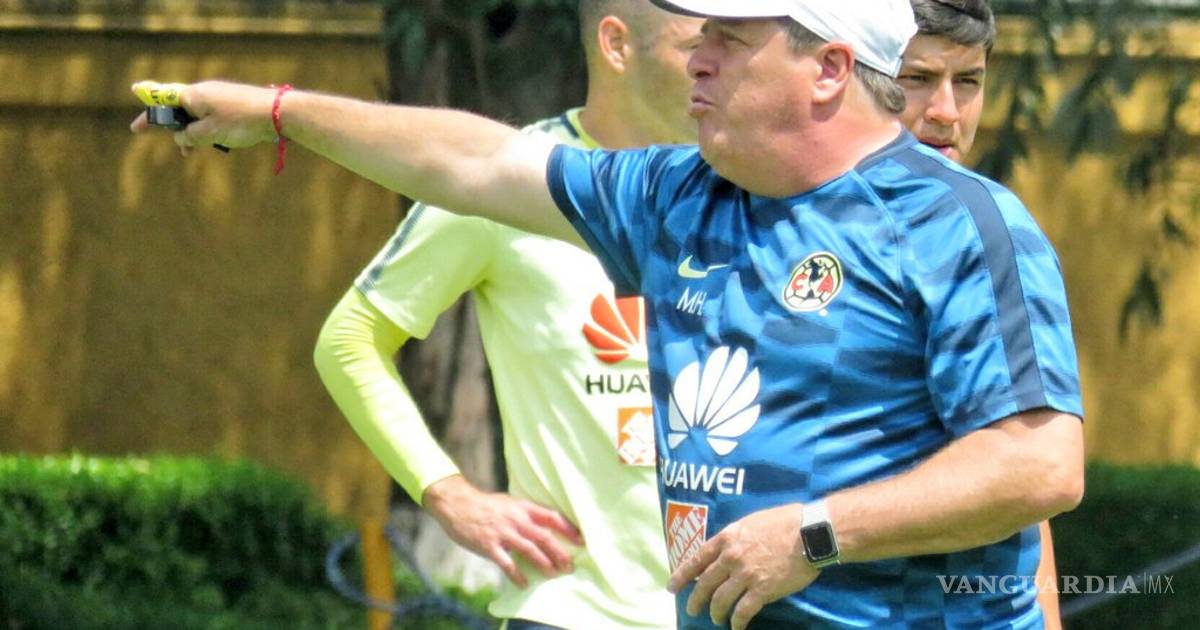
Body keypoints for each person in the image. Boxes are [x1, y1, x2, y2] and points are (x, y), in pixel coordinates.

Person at [130, 0, 1086, 627]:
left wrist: (816, 532)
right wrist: (281, 111)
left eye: (730, 40)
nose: (697, 58)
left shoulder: (957, 224)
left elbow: (1038, 463)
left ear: (830, 68)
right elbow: (477, 161)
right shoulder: (679, 194)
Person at [311, 3, 702, 629]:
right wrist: (448, 494)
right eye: (697, 46)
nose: (718, 65)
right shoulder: (511, 180)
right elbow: (349, 340)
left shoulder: (745, 184)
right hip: (572, 612)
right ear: (616, 44)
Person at [896, 2, 1063, 626]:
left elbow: (1029, 466)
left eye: (968, 81)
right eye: (917, 79)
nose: (947, 111)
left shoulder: (991, 232)